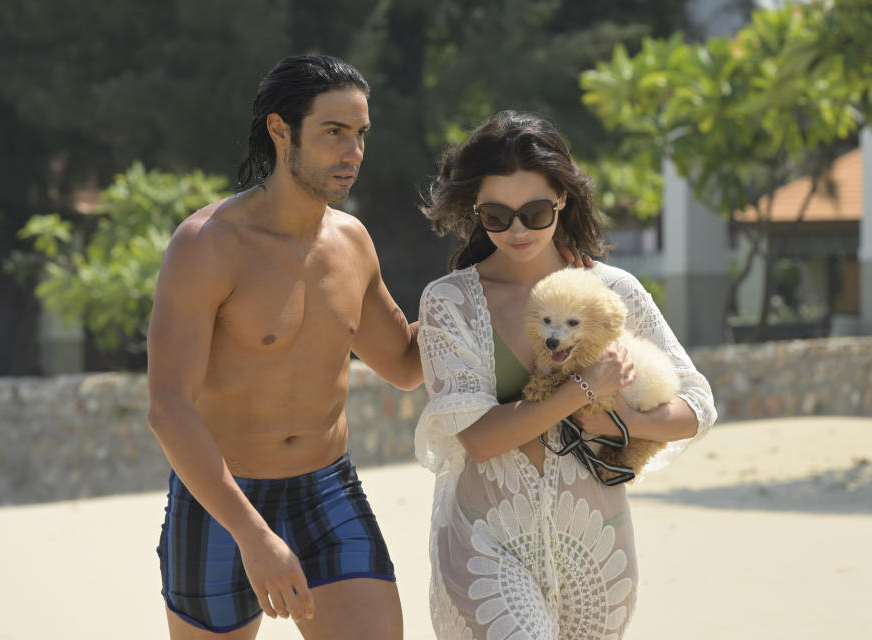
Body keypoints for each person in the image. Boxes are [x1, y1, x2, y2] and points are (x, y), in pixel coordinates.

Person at [146, 54, 421, 639]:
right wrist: (252, 535)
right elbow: (168, 407)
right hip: (220, 500)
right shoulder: (208, 244)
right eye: (333, 133)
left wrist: (492, 288)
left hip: (325, 489)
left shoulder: (352, 242)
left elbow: (404, 363)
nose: (353, 154)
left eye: (360, 135)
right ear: (280, 130)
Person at [414, 110, 717, 639]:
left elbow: (696, 407)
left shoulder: (615, 291)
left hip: (597, 546)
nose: (516, 230)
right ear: (475, 212)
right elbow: (480, 438)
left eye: (534, 211)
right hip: (489, 540)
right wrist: (582, 390)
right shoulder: (450, 303)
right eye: (496, 215)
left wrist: (618, 421)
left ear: (562, 200)